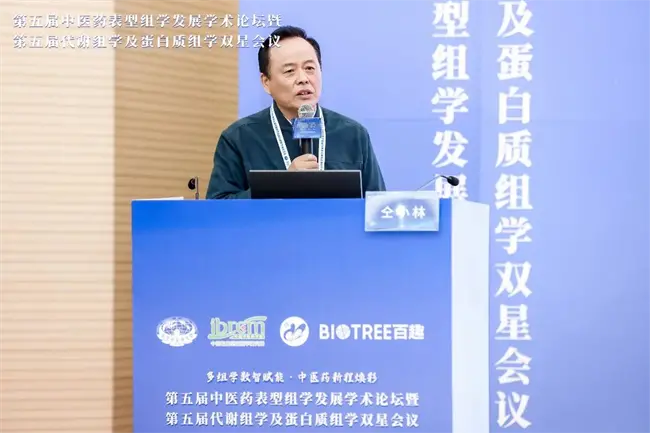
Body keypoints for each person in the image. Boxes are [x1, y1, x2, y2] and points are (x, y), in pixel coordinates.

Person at [205, 25, 386, 199]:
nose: (303, 79)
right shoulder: (239, 138)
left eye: (309, 68)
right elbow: (218, 206)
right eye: (290, 71)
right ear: (266, 82)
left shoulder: (353, 135)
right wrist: (281, 186)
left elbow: (377, 206)